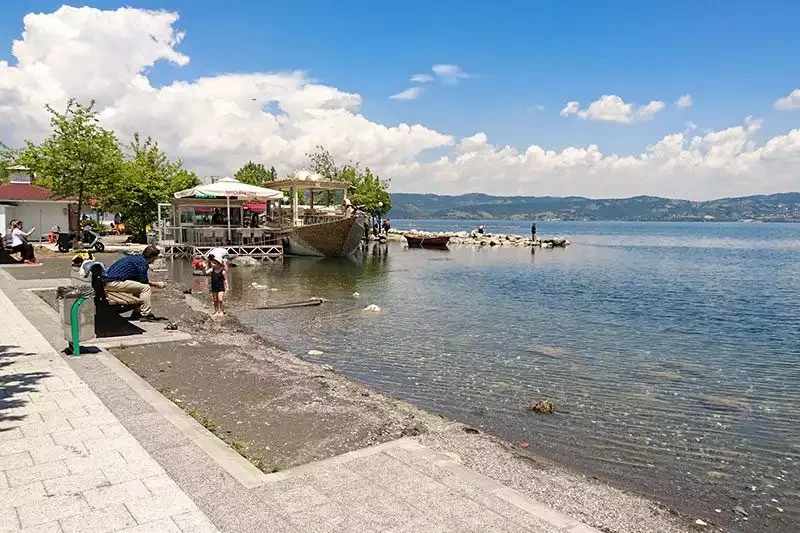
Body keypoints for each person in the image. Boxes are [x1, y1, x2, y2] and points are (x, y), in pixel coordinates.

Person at [105, 246, 165, 320]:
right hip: (113, 283)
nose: (155, 260)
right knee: (145, 288)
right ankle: (146, 314)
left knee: (138, 286)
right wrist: (157, 284)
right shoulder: (142, 263)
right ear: (152, 257)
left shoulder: (136, 258)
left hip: (107, 282)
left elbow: (139, 281)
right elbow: (144, 281)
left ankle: (137, 312)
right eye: (155, 258)